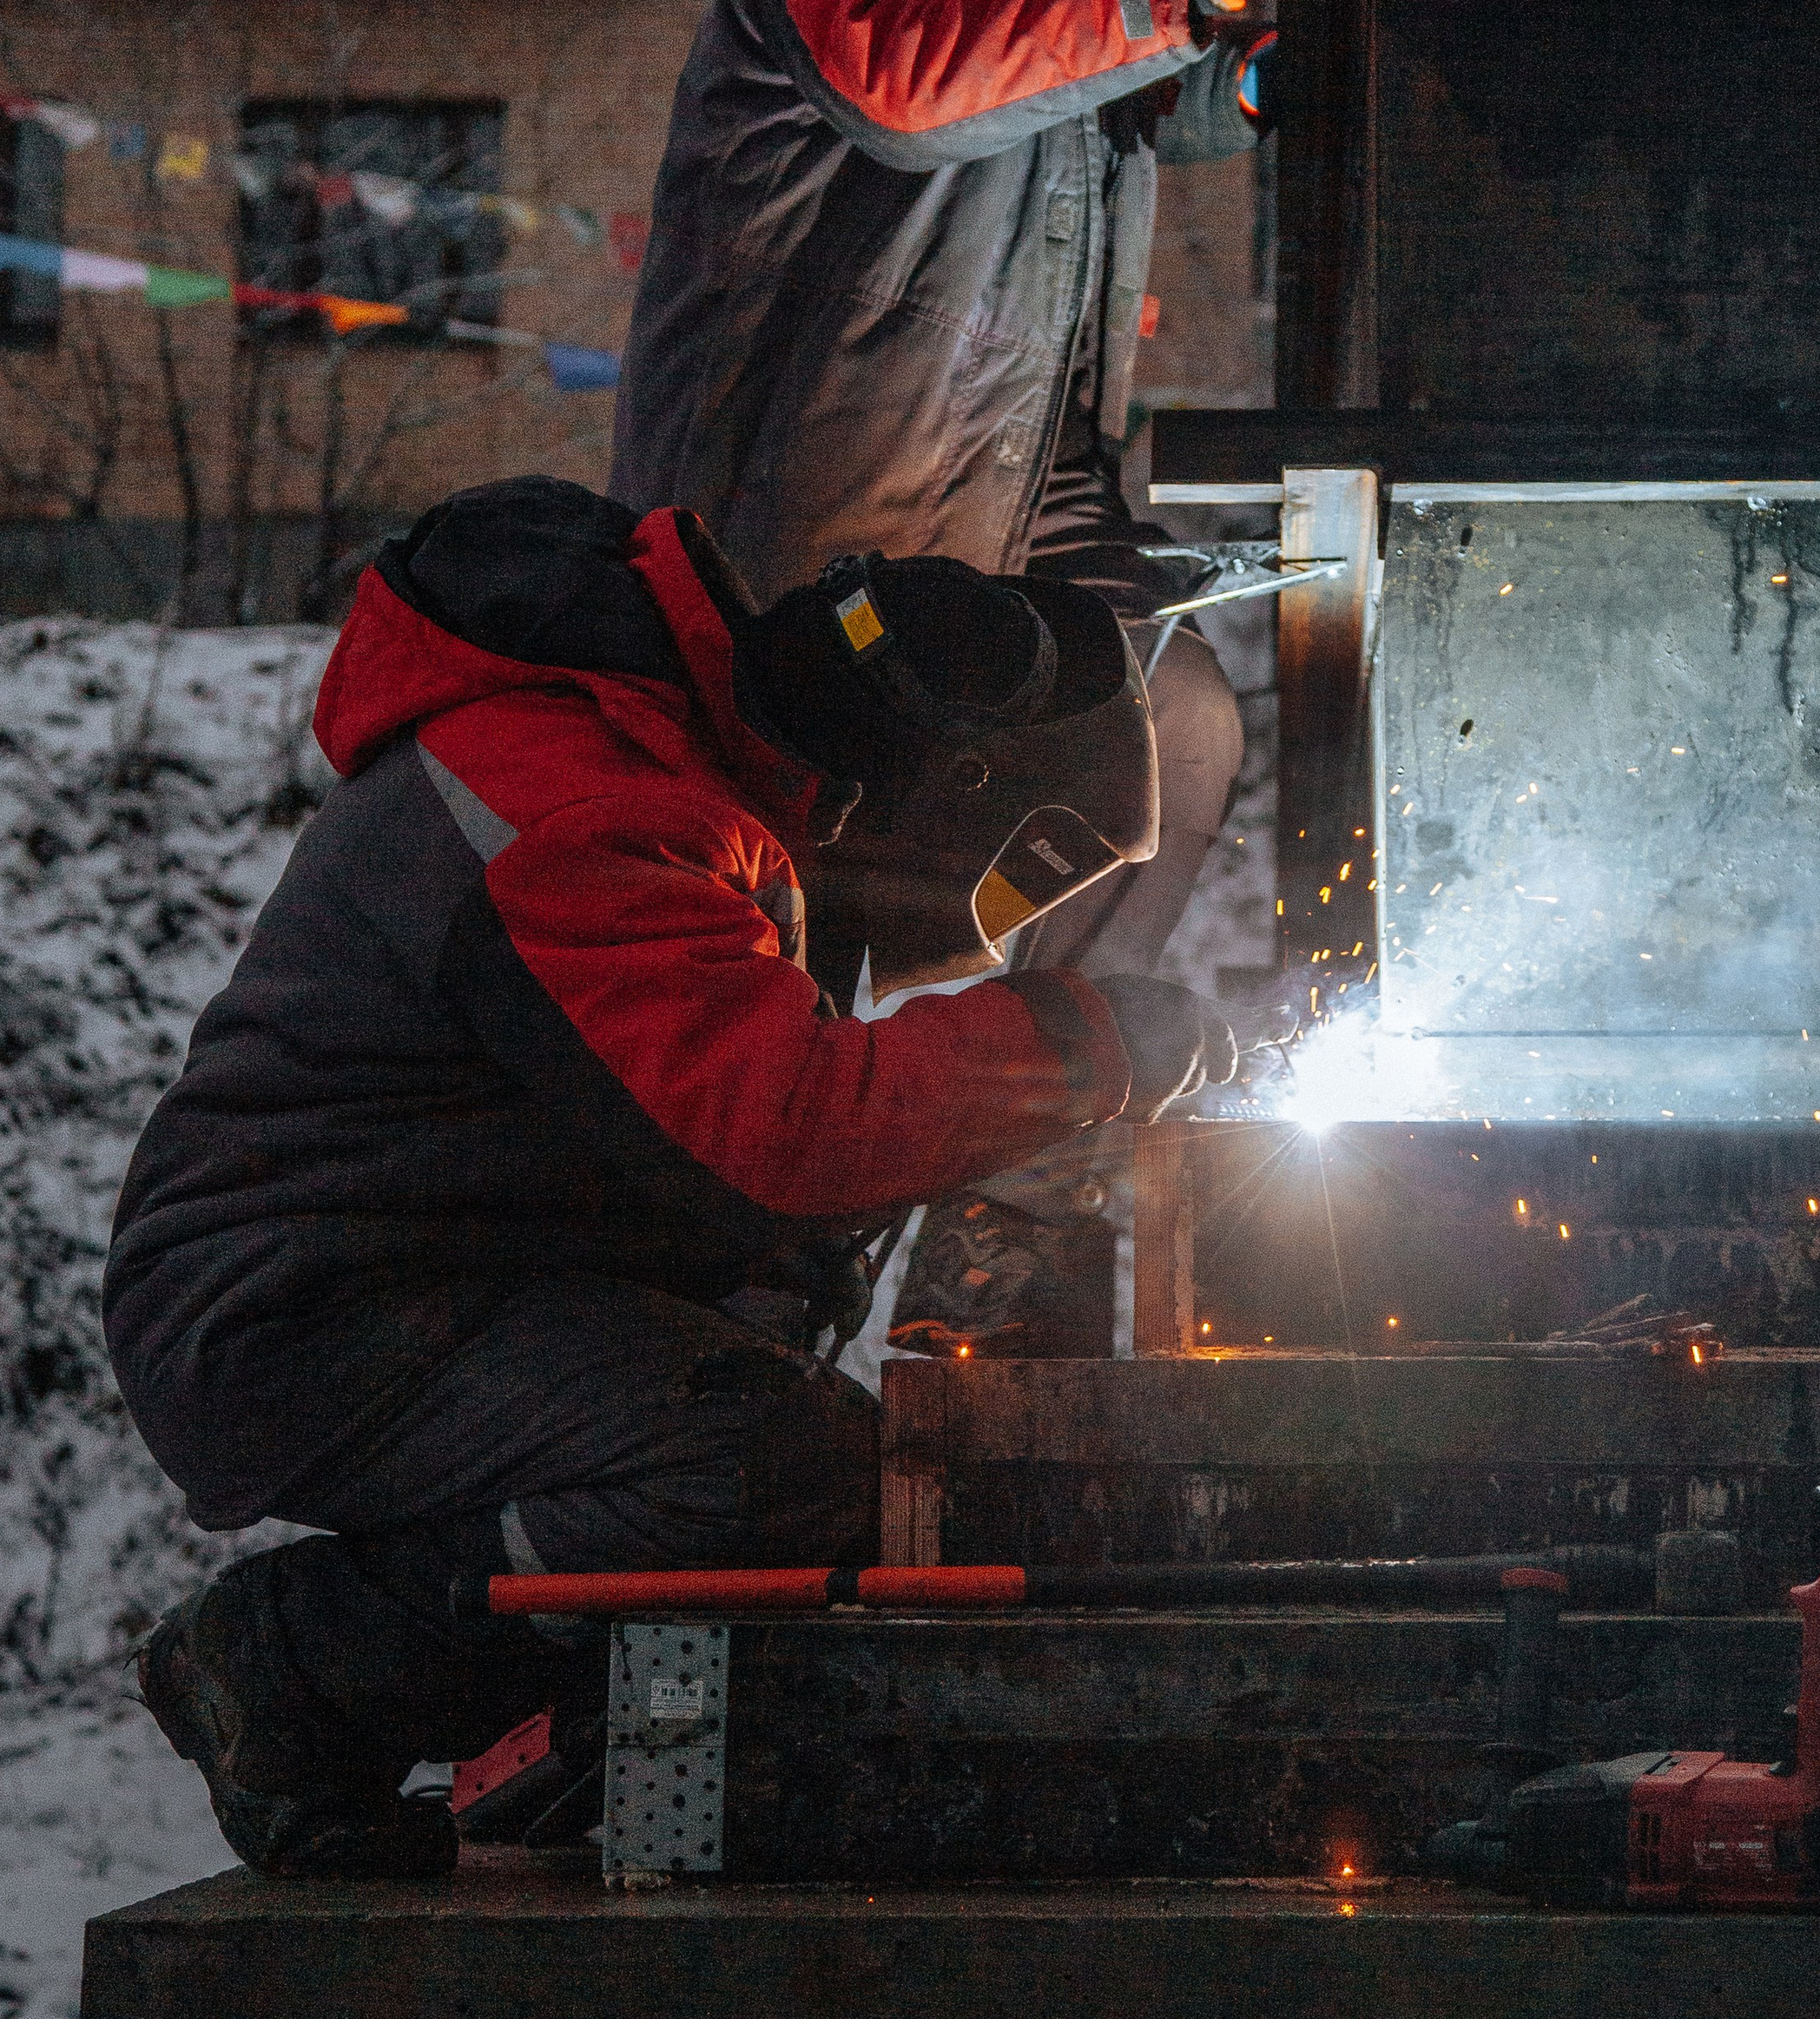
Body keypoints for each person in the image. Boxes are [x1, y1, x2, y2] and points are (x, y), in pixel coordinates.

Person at [106, 474, 1233, 1879]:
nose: (997, 933)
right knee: (757, 1464)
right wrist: (1084, 1045)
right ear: (954, 794)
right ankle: (290, 1668)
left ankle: (483, 1703)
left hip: (419, 1272)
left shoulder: (668, 780)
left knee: (774, 1424)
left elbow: (719, 1155)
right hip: (296, 1302)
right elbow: (778, 1139)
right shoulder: (594, 811)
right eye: (1018, 890)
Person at [608, 0, 1376, 1344]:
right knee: (798, 964)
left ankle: (1000, 1207)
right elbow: (906, 68)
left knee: (1176, 735)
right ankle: (751, 1327)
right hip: (805, 545)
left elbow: (1134, 94)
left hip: (997, 521)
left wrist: (1274, 46)